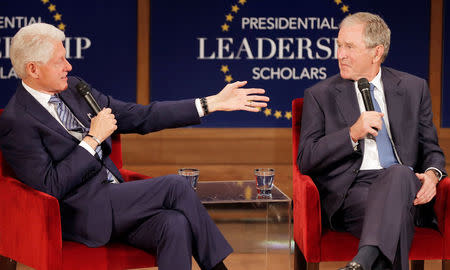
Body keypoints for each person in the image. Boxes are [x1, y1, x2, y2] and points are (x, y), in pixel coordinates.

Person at [0, 23, 269, 270]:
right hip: (80, 214)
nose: (68, 67)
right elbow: (50, 185)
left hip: (118, 199)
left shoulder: (74, 88)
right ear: (33, 69)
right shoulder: (17, 121)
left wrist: (211, 103)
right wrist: (92, 140)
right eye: (60, 61)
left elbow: (140, 116)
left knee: (173, 224)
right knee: (175, 186)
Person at [298, 12, 446, 270]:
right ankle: (364, 261)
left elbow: (432, 149)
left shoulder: (413, 88)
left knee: (399, 174)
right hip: (353, 192)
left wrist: (433, 176)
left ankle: (360, 262)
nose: (340, 54)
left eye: (350, 47)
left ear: (376, 53)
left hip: (407, 187)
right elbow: (306, 159)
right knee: (393, 220)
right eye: (339, 45)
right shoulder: (319, 95)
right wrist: (351, 134)